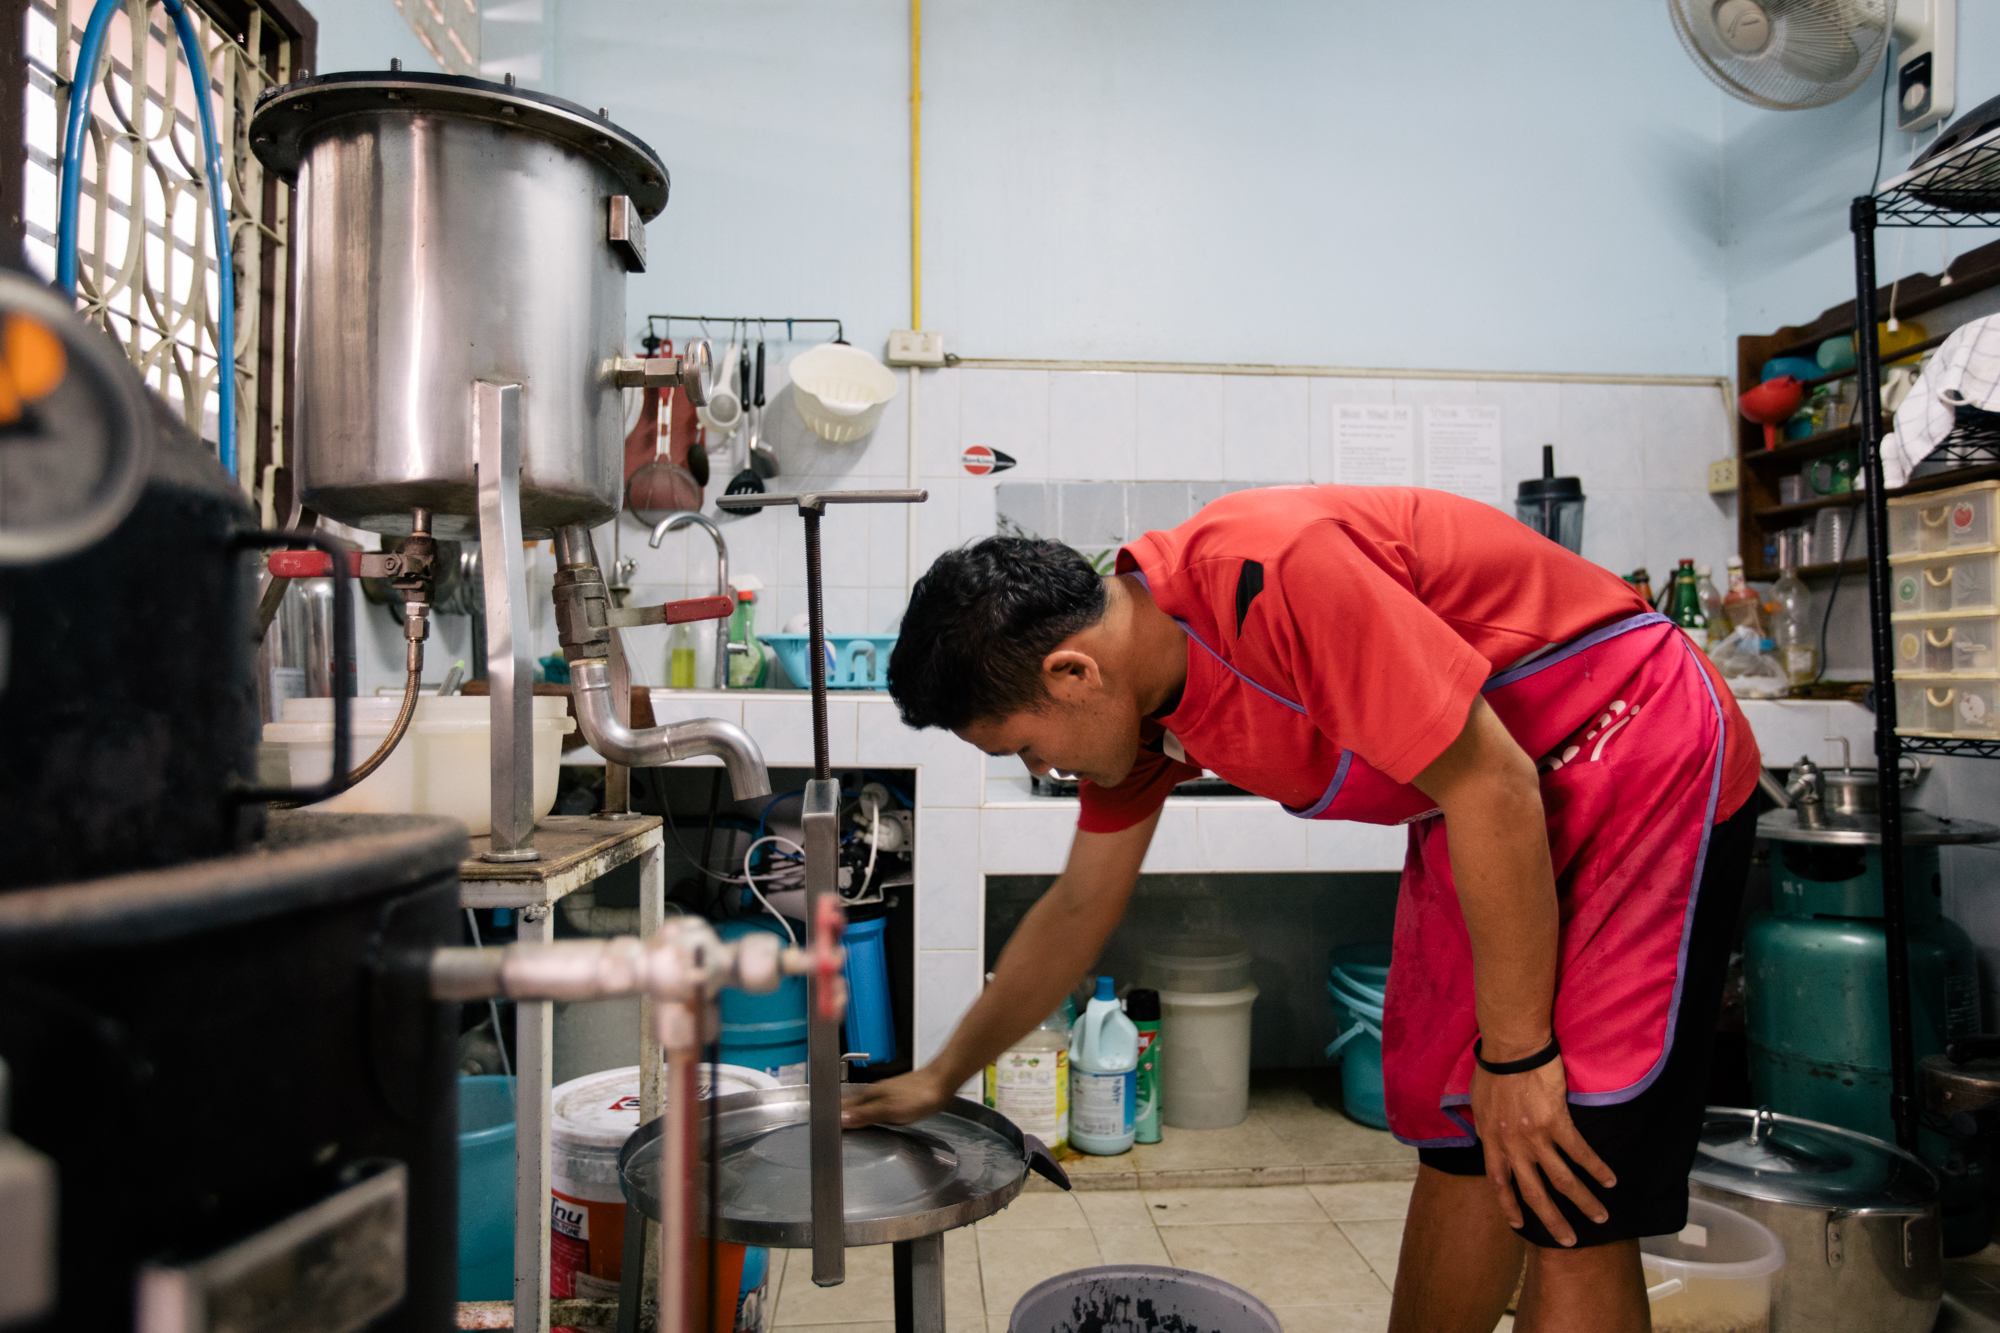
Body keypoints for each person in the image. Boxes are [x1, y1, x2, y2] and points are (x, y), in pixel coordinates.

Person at [847, 484, 1758, 1333]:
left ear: (1073, 672)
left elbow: (1492, 783)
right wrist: (943, 1075)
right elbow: (1080, 903)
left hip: (1631, 747)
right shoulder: (1146, 703)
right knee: (1459, 1129)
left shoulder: (1280, 577)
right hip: (1488, 801)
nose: (1044, 771)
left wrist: (1519, 1050)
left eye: (1027, 746)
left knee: (1563, 1164)